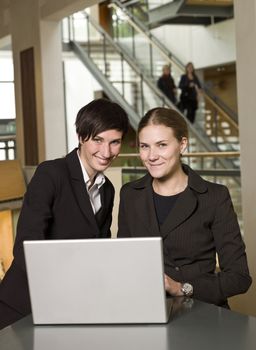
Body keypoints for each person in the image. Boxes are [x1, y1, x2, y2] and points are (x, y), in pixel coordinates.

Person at [0, 98, 129, 330]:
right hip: (22, 305)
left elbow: (98, 250)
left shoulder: (107, 189)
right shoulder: (51, 174)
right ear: (81, 137)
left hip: (69, 306)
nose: (106, 151)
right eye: (98, 140)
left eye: (115, 142)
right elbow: (25, 248)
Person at [117, 107, 252, 308]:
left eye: (161, 145)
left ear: (182, 145)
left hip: (201, 313)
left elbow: (239, 277)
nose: (151, 156)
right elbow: (124, 263)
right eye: (145, 146)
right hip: (146, 309)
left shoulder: (214, 196)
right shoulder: (130, 194)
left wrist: (183, 288)